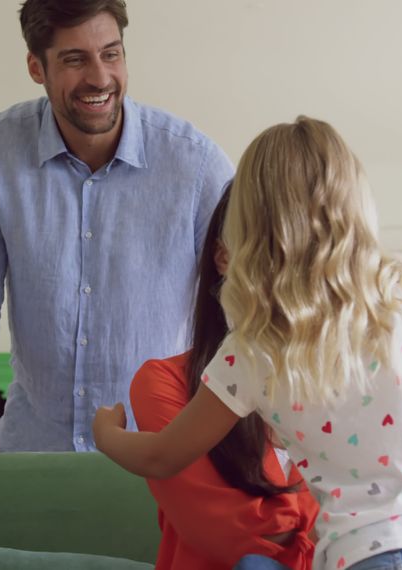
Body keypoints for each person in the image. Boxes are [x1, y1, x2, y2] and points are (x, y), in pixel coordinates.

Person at [93, 116, 402, 570]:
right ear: (357, 206)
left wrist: (106, 432)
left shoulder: (251, 350)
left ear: (249, 225)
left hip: (366, 555)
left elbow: (161, 457)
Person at [0, 0, 232, 490]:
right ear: (37, 67)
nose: (100, 77)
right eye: (75, 59)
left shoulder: (199, 165)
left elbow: (243, 313)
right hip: (34, 461)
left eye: (112, 54)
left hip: (166, 464)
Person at [131, 188, 317, 569]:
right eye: (266, 244)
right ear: (223, 257)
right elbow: (236, 534)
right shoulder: (165, 383)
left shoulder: (337, 379)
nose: (287, 264)